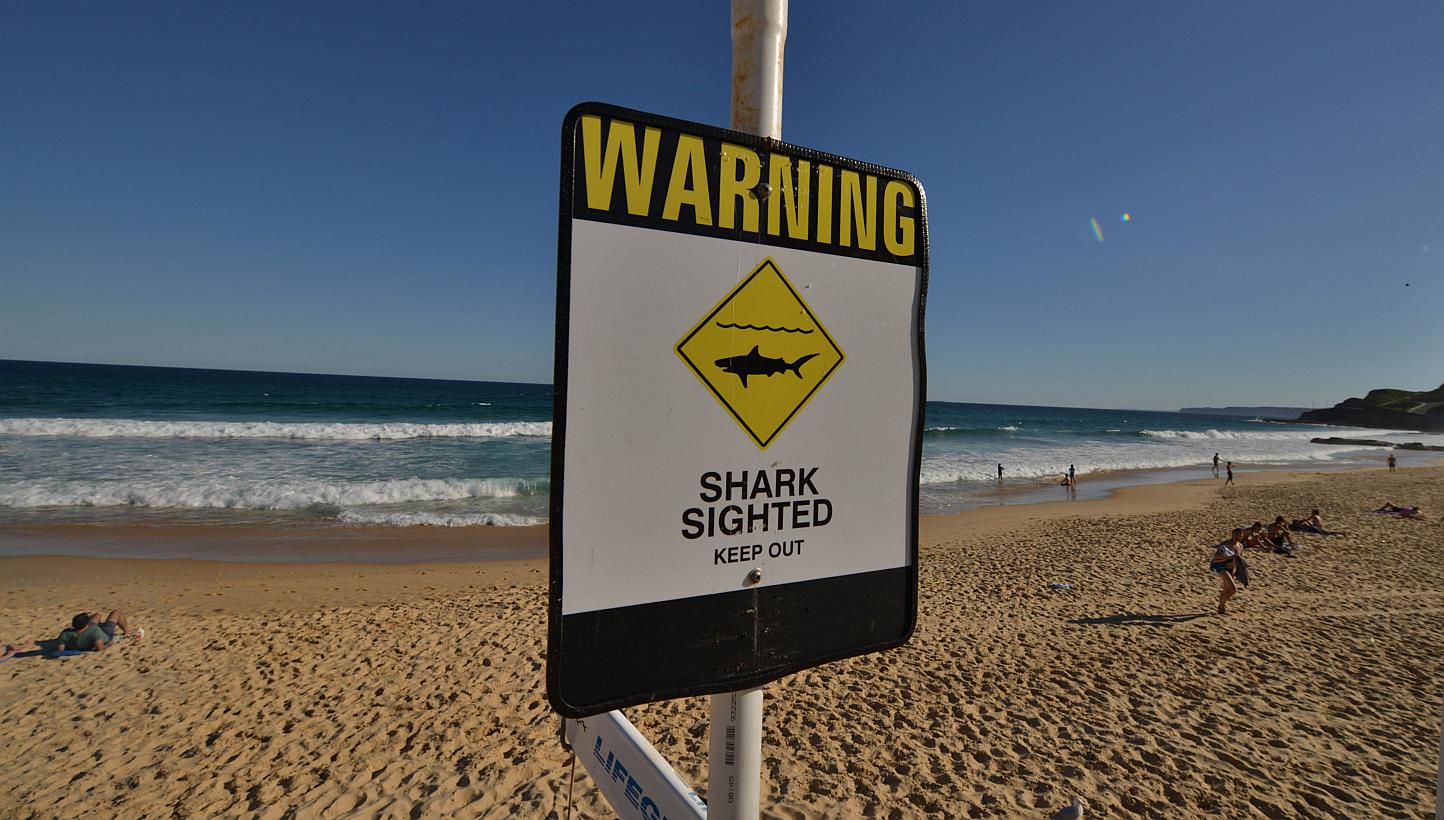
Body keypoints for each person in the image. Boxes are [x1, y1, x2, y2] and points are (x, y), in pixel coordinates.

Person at [59, 610, 139, 652]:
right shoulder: (94, 630)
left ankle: (99, 622)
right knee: (116, 612)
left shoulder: (66, 633)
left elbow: (60, 650)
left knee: (97, 615)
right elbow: (100, 648)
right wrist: (110, 643)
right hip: (106, 633)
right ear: (87, 624)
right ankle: (127, 632)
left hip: (85, 630)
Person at [1210, 529, 1247, 615]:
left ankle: (1221, 607)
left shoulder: (1240, 546)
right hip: (1223, 568)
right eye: (1236, 534)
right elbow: (1216, 556)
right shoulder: (1225, 544)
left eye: (1240, 535)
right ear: (1232, 534)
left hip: (1232, 569)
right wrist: (1227, 557)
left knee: (1227, 589)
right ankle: (1221, 606)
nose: (1238, 537)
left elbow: (1239, 559)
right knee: (1233, 589)